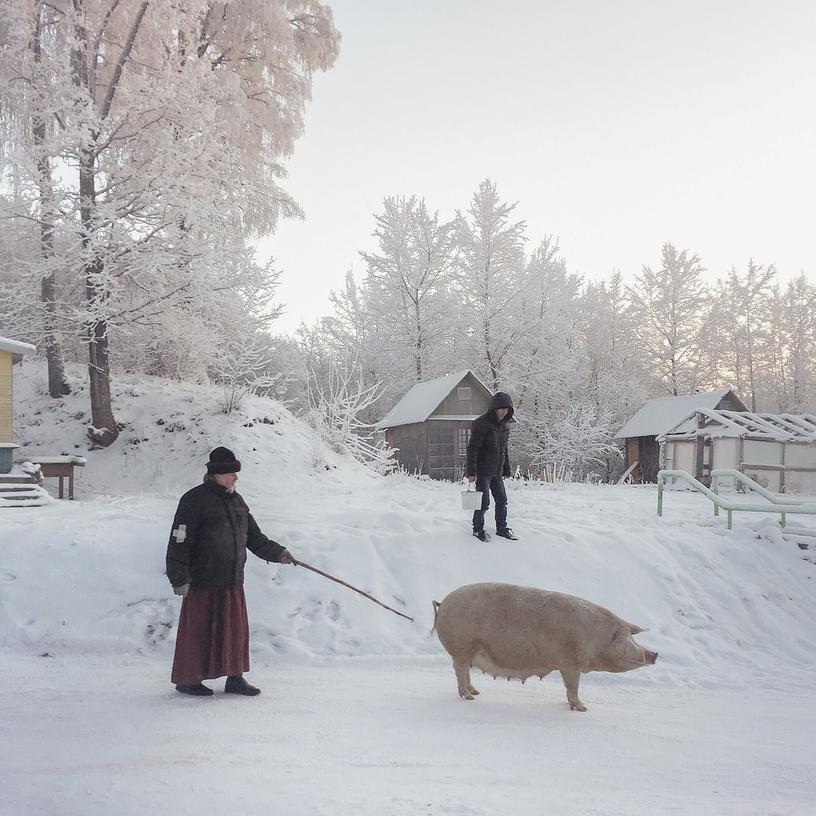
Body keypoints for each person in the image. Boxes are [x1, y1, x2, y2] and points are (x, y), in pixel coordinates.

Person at [166, 446, 296, 697]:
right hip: (202, 580)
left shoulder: (237, 502)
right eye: (231, 473)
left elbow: (255, 538)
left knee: (234, 633)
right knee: (198, 633)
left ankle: (235, 678)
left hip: (231, 579)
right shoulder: (194, 500)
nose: (236, 477)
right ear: (216, 474)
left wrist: (279, 553)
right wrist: (179, 578)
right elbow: (179, 540)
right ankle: (188, 679)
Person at [466, 392, 518, 542]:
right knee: (483, 503)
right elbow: (473, 448)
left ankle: (501, 528)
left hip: (497, 471)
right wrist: (472, 471)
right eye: (501, 408)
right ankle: (478, 529)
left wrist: (506, 469)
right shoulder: (481, 424)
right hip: (483, 471)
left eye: (507, 409)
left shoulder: (504, 426)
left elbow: (504, 449)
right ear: (494, 408)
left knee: (502, 501)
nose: (504, 412)